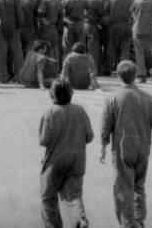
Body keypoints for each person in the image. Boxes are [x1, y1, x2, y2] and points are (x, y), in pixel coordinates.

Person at [100, 60, 152, 228]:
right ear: (136, 75)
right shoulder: (148, 99)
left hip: (123, 148)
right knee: (139, 186)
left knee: (123, 188)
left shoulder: (113, 99)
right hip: (143, 148)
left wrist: (103, 147)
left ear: (118, 76)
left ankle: (129, 224)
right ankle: (139, 220)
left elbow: (106, 126)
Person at [39, 77, 94, 228]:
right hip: (77, 160)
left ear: (53, 94)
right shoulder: (80, 111)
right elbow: (89, 136)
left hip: (55, 161)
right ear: (70, 93)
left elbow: (43, 140)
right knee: (73, 195)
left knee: (48, 197)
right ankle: (80, 220)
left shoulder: (50, 113)